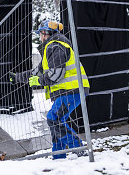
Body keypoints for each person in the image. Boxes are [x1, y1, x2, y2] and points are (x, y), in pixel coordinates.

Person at [9, 20, 90, 159]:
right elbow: (37, 72)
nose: (40, 37)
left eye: (40, 33)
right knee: (56, 121)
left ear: (45, 33)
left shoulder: (56, 46)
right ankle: (58, 155)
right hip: (67, 90)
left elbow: (56, 74)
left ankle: (78, 148)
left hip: (72, 90)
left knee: (54, 118)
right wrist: (18, 77)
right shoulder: (50, 48)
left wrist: (39, 82)